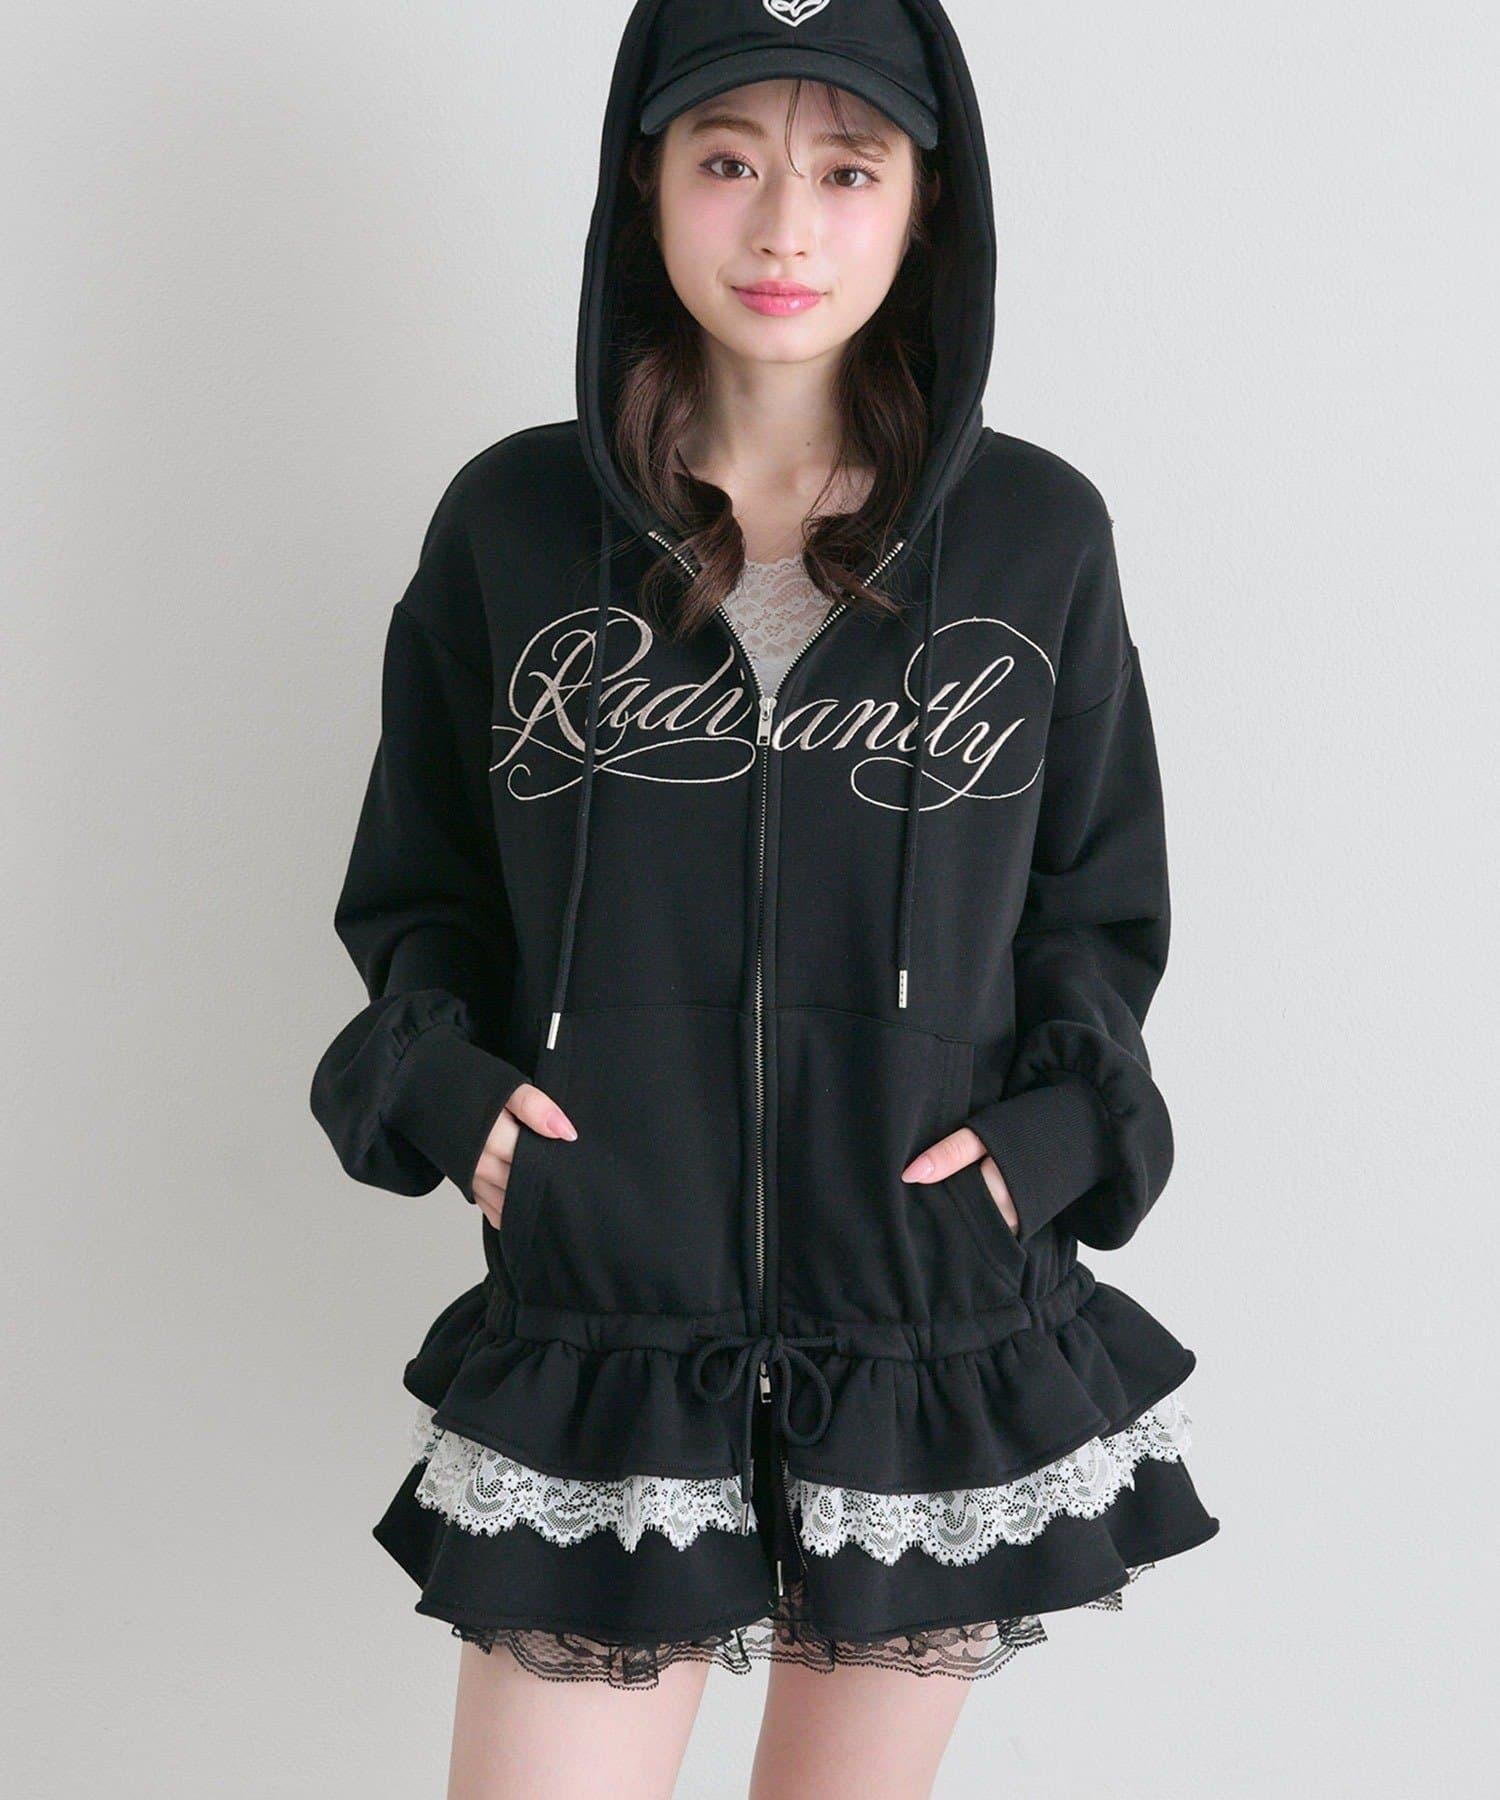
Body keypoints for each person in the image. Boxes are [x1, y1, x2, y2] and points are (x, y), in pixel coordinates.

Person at [310, 0, 1220, 1791]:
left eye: (847, 170)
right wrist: (448, 1093)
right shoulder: (512, 526)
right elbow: (420, 888)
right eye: (727, 161)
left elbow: (1095, 913)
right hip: (609, 1332)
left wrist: (1053, 1142)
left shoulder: (1036, 537)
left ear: (925, 204)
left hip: (928, 1331)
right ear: (644, 186)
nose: (786, 225)